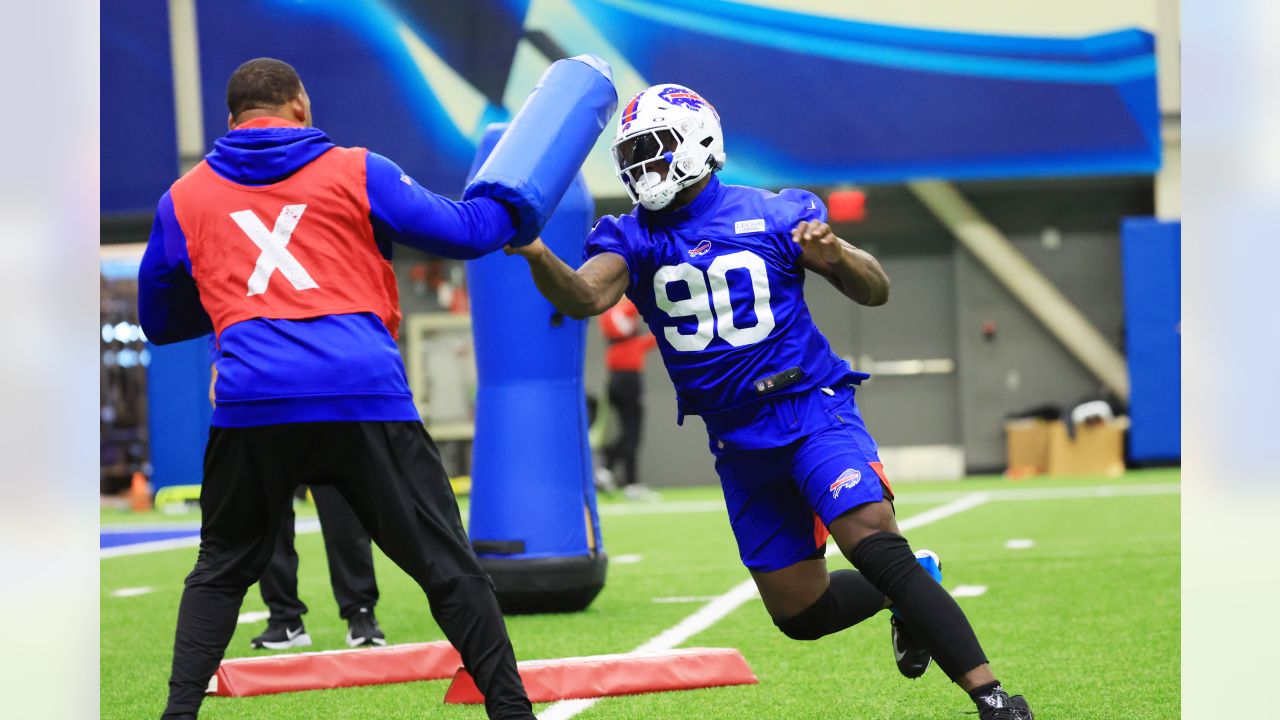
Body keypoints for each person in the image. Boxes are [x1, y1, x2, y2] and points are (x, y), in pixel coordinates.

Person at [507, 84, 1034, 720]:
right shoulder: (631, 236)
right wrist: (536, 251)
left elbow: (876, 291)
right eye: (633, 155)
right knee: (800, 614)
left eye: (654, 149)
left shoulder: (777, 212)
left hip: (811, 408)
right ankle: (912, 581)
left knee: (868, 534)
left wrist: (836, 253)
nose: (643, 167)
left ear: (700, 144)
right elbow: (585, 298)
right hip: (736, 438)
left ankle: (994, 698)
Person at [139, 58, 534, 720]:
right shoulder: (359, 169)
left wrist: (229, 299)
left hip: (252, 401)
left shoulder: (183, 197)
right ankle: (512, 714)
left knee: (221, 570)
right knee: (447, 565)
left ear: (232, 120)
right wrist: (522, 196)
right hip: (361, 394)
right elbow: (468, 232)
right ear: (301, 103)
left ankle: (177, 716)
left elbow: (159, 321)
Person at [211, 356, 386, 652]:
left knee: (343, 514)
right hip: (268, 396)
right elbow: (226, 320)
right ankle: (284, 618)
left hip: (326, 395)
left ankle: (361, 613)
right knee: (269, 518)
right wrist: (218, 365)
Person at [598, 296, 658, 498]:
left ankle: (608, 470)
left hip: (617, 382)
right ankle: (628, 482)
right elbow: (631, 308)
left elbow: (652, 339)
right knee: (633, 432)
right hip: (627, 382)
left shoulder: (624, 343)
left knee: (628, 432)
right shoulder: (614, 315)